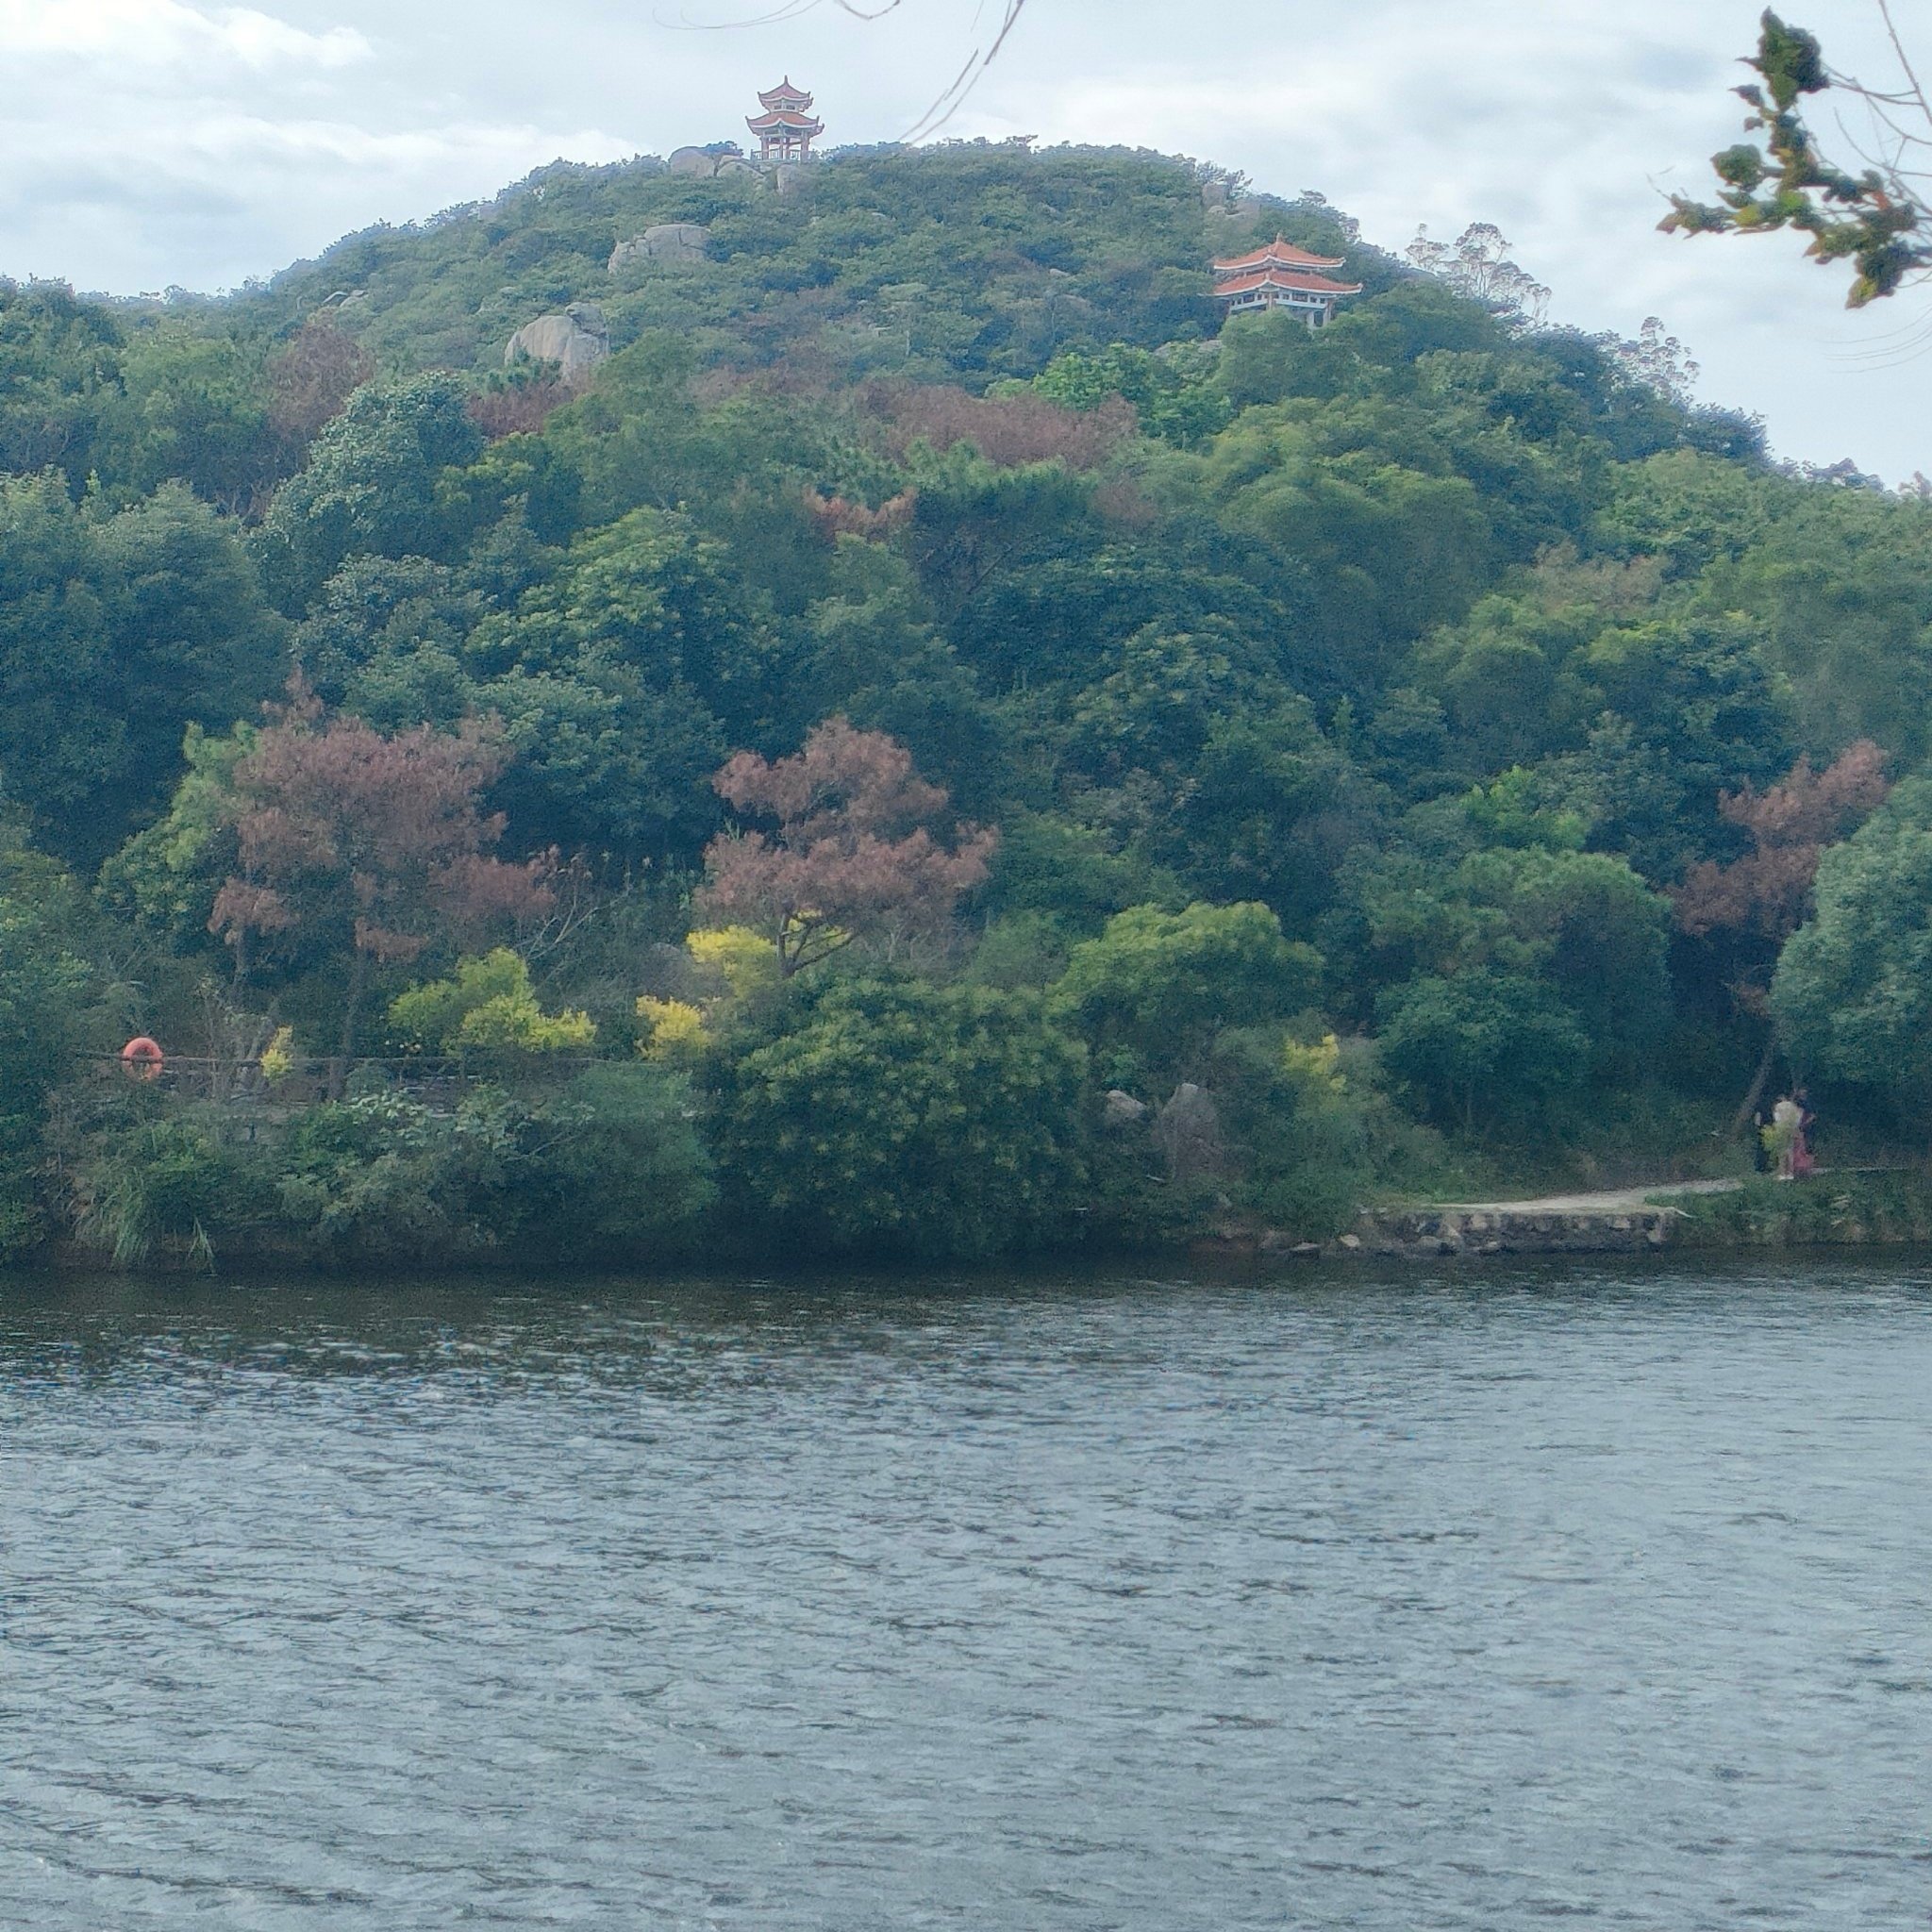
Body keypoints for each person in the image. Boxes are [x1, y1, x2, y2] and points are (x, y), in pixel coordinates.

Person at [1770, 1094, 1802, 1181]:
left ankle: (1782, 1173)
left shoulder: (1778, 1106)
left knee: (1781, 1151)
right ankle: (1790, 1173)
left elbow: (1777, 1118)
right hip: (1792, 1128)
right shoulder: (1793, 1106)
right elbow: (1798, 1118)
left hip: (1781, 1129)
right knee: (1790, 1151)